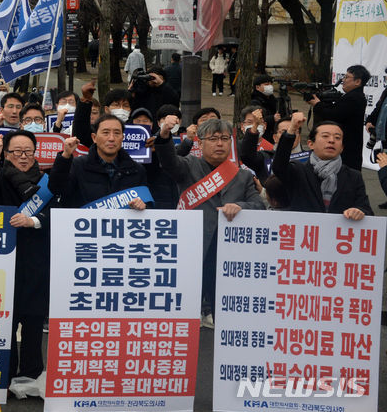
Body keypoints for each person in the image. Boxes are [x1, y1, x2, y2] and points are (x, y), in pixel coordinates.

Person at [154, 118, 265, 328]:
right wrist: (164, 135)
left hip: (228, 251)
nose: (220, 144)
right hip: (192, 246)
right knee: (185, 307)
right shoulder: (188, 165)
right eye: (213, 139)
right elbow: (169, 162)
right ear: (200, 142)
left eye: (224, 138)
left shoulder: (241, 175)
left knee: (222, 311)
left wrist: (241, 206)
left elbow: (259, 205)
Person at [0, 130, 53, 382]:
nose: (23, 157)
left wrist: (33, 220)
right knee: (6, 321)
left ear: (36, 153)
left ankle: (32, 376)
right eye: (16, 152)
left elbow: (58, 215)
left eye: (28, 152)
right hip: (2, 260)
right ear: (7, 153)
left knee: (34, 320)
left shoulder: (47, 181)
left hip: (36, 259)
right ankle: (6, 374)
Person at [271, 115, 372, 218]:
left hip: (339, 232)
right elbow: (279, 166)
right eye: (325, 136)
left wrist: (359, 211)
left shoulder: (353, 176)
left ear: (342, 147)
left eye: (337, 137)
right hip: (304, 231)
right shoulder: (298, 170)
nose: (331, 140)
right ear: (311, 144)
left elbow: (366, 209)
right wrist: (291, 130)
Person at [48, 115, 151, 209]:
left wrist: (143, 206)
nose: (111, 138)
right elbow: (56, 189)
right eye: (106, 133)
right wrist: (65, 156)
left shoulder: (136, 170)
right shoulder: (77, 165)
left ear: (122, 138)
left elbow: (148, 204)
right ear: (94, 138)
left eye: (117, 133)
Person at [308, 64, 370, 170]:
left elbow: (333, 116)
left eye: (346, 77)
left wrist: (318, 105)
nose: (343, 80)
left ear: (358, 82)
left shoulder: (354, 98)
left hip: (347, 151)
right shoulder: (353, 96)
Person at [240, 110, 306, 184]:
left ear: (299, 136)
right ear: (275, 137)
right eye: (284, 132)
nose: (290, 135)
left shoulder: (309, 158)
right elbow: (247, 156)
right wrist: (255, 125)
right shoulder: (266, 157)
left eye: (294, 131)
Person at [250, 75, 281, 142]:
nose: (270, 86)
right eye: (266, 84)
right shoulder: (254, 101)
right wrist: (272, 118)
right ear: (257, 87)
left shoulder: (273, 99)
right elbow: (257, 119)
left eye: (270, 84)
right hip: (263, 135)